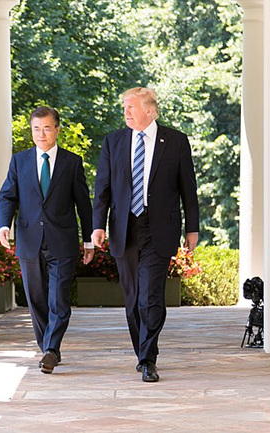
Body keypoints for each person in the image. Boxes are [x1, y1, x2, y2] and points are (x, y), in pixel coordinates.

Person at [92, 87, 199, 382]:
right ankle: (142, 350)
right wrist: (98, 225)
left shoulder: (175, 141)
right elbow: (102, 188)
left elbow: (188, 188)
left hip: (159, 227)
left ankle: (148, 358)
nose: (125, 112)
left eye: (131, 107)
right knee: (133, 297)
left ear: (150, 110)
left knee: (150, 297)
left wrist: (193, 228)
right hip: (124, 228)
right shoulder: (113, 141)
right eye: (124, 107)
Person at [0, 106, 94, 374]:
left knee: (58, 300)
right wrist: (4, 225)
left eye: (47, 128)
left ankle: (51, 349)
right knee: (37, 300)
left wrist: (88, 240)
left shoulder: (71, 162)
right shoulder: (20, 161)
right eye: (36, 129)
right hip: (29, 242)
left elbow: (83, 205)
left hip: (62, 242)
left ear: (57, 130)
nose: (41, 134)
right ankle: (48, 349)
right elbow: (7, 196)